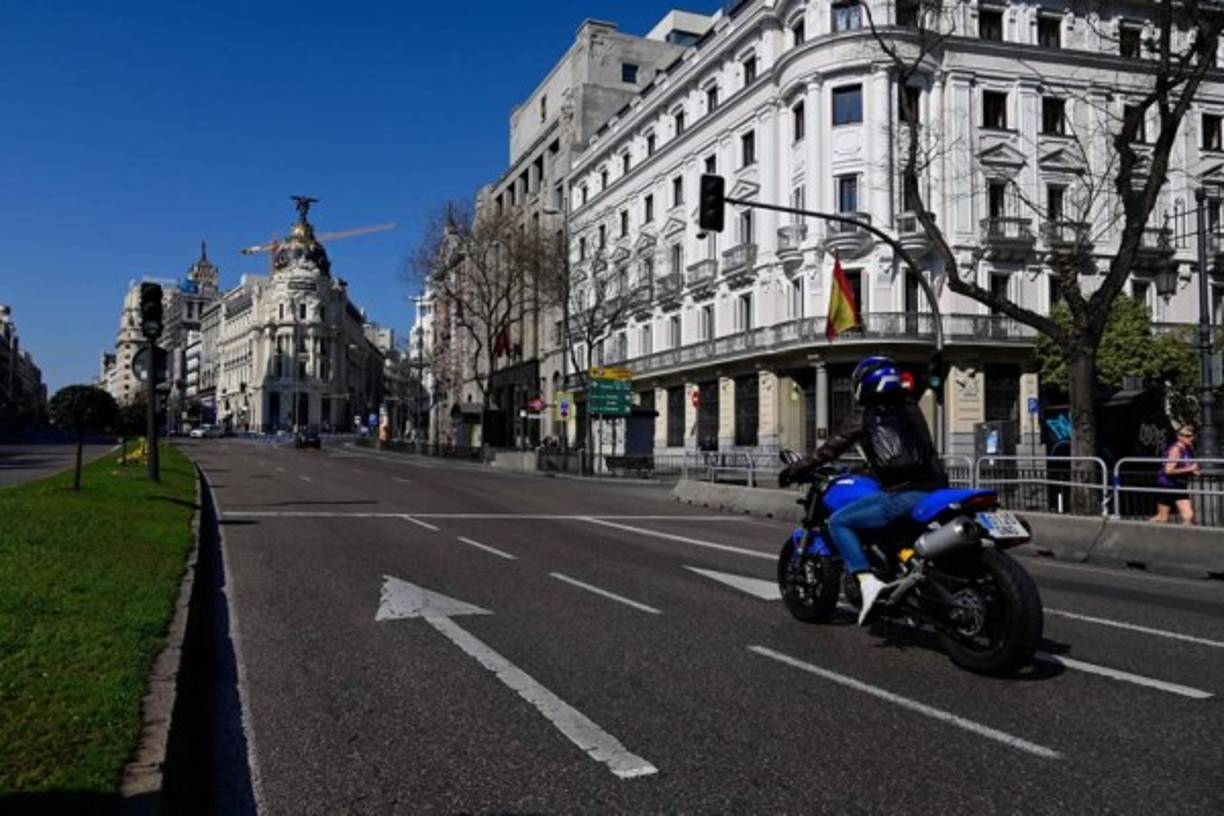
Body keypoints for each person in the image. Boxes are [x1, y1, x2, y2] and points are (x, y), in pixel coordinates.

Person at [780, 355, 948, 625]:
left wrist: (795, 469)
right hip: (936, 489)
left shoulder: (866, 413)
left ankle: (868, 582)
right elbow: (905, 452)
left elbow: (830, 449)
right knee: (895, 535)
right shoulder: (911, 407)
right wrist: (864, 470)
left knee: (839, 521)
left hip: (905, 493)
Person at [1149, 425, 1198, 525]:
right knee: (1162, 517)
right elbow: (1168, 470)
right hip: (1167, 485)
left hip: (1179, 485)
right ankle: (1144, 530)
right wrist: (1190, 469)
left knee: (1189, 517)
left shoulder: (1188, 448)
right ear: (1179, 437)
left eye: (1192, 435)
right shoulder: (1175, 450)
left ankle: (1186, 535)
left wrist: (1192, 472)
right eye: (1187, 436)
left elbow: (1184, 465)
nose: (1191, 438)